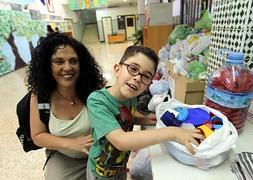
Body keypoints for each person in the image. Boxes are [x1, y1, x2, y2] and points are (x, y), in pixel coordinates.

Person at [86, 45, 204, 179]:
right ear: (117, 69)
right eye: (133, 69)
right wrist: (172, 132)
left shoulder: (130, 96)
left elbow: (125, 116)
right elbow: (120, 141)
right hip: (100, 172)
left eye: (146, 76)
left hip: (120, 167)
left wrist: (145, 119)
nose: (137, 78)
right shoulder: (97, 101)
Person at [27, 32, 105, 180]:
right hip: (64, 158)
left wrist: (145, 118)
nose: (68, 67)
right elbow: (38, 136)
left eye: (73, 61)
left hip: (99, 156)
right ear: (47, 65)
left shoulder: (95, 88)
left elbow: (118, 110)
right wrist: (71, 143)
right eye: (59, 61)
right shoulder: (40, 96)